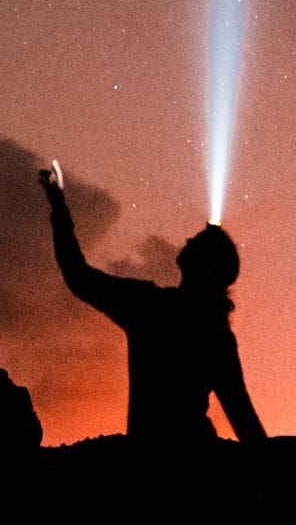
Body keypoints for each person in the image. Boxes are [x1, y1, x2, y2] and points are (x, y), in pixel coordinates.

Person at [38, 164, 268, 446]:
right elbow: (244, 419)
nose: (186, 239)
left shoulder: (148, 306)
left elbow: (79, 276)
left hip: (150, 467)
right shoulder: (216, 334)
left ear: (207, 266)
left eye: (196, 240)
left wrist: (60, 210)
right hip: (195, 464)